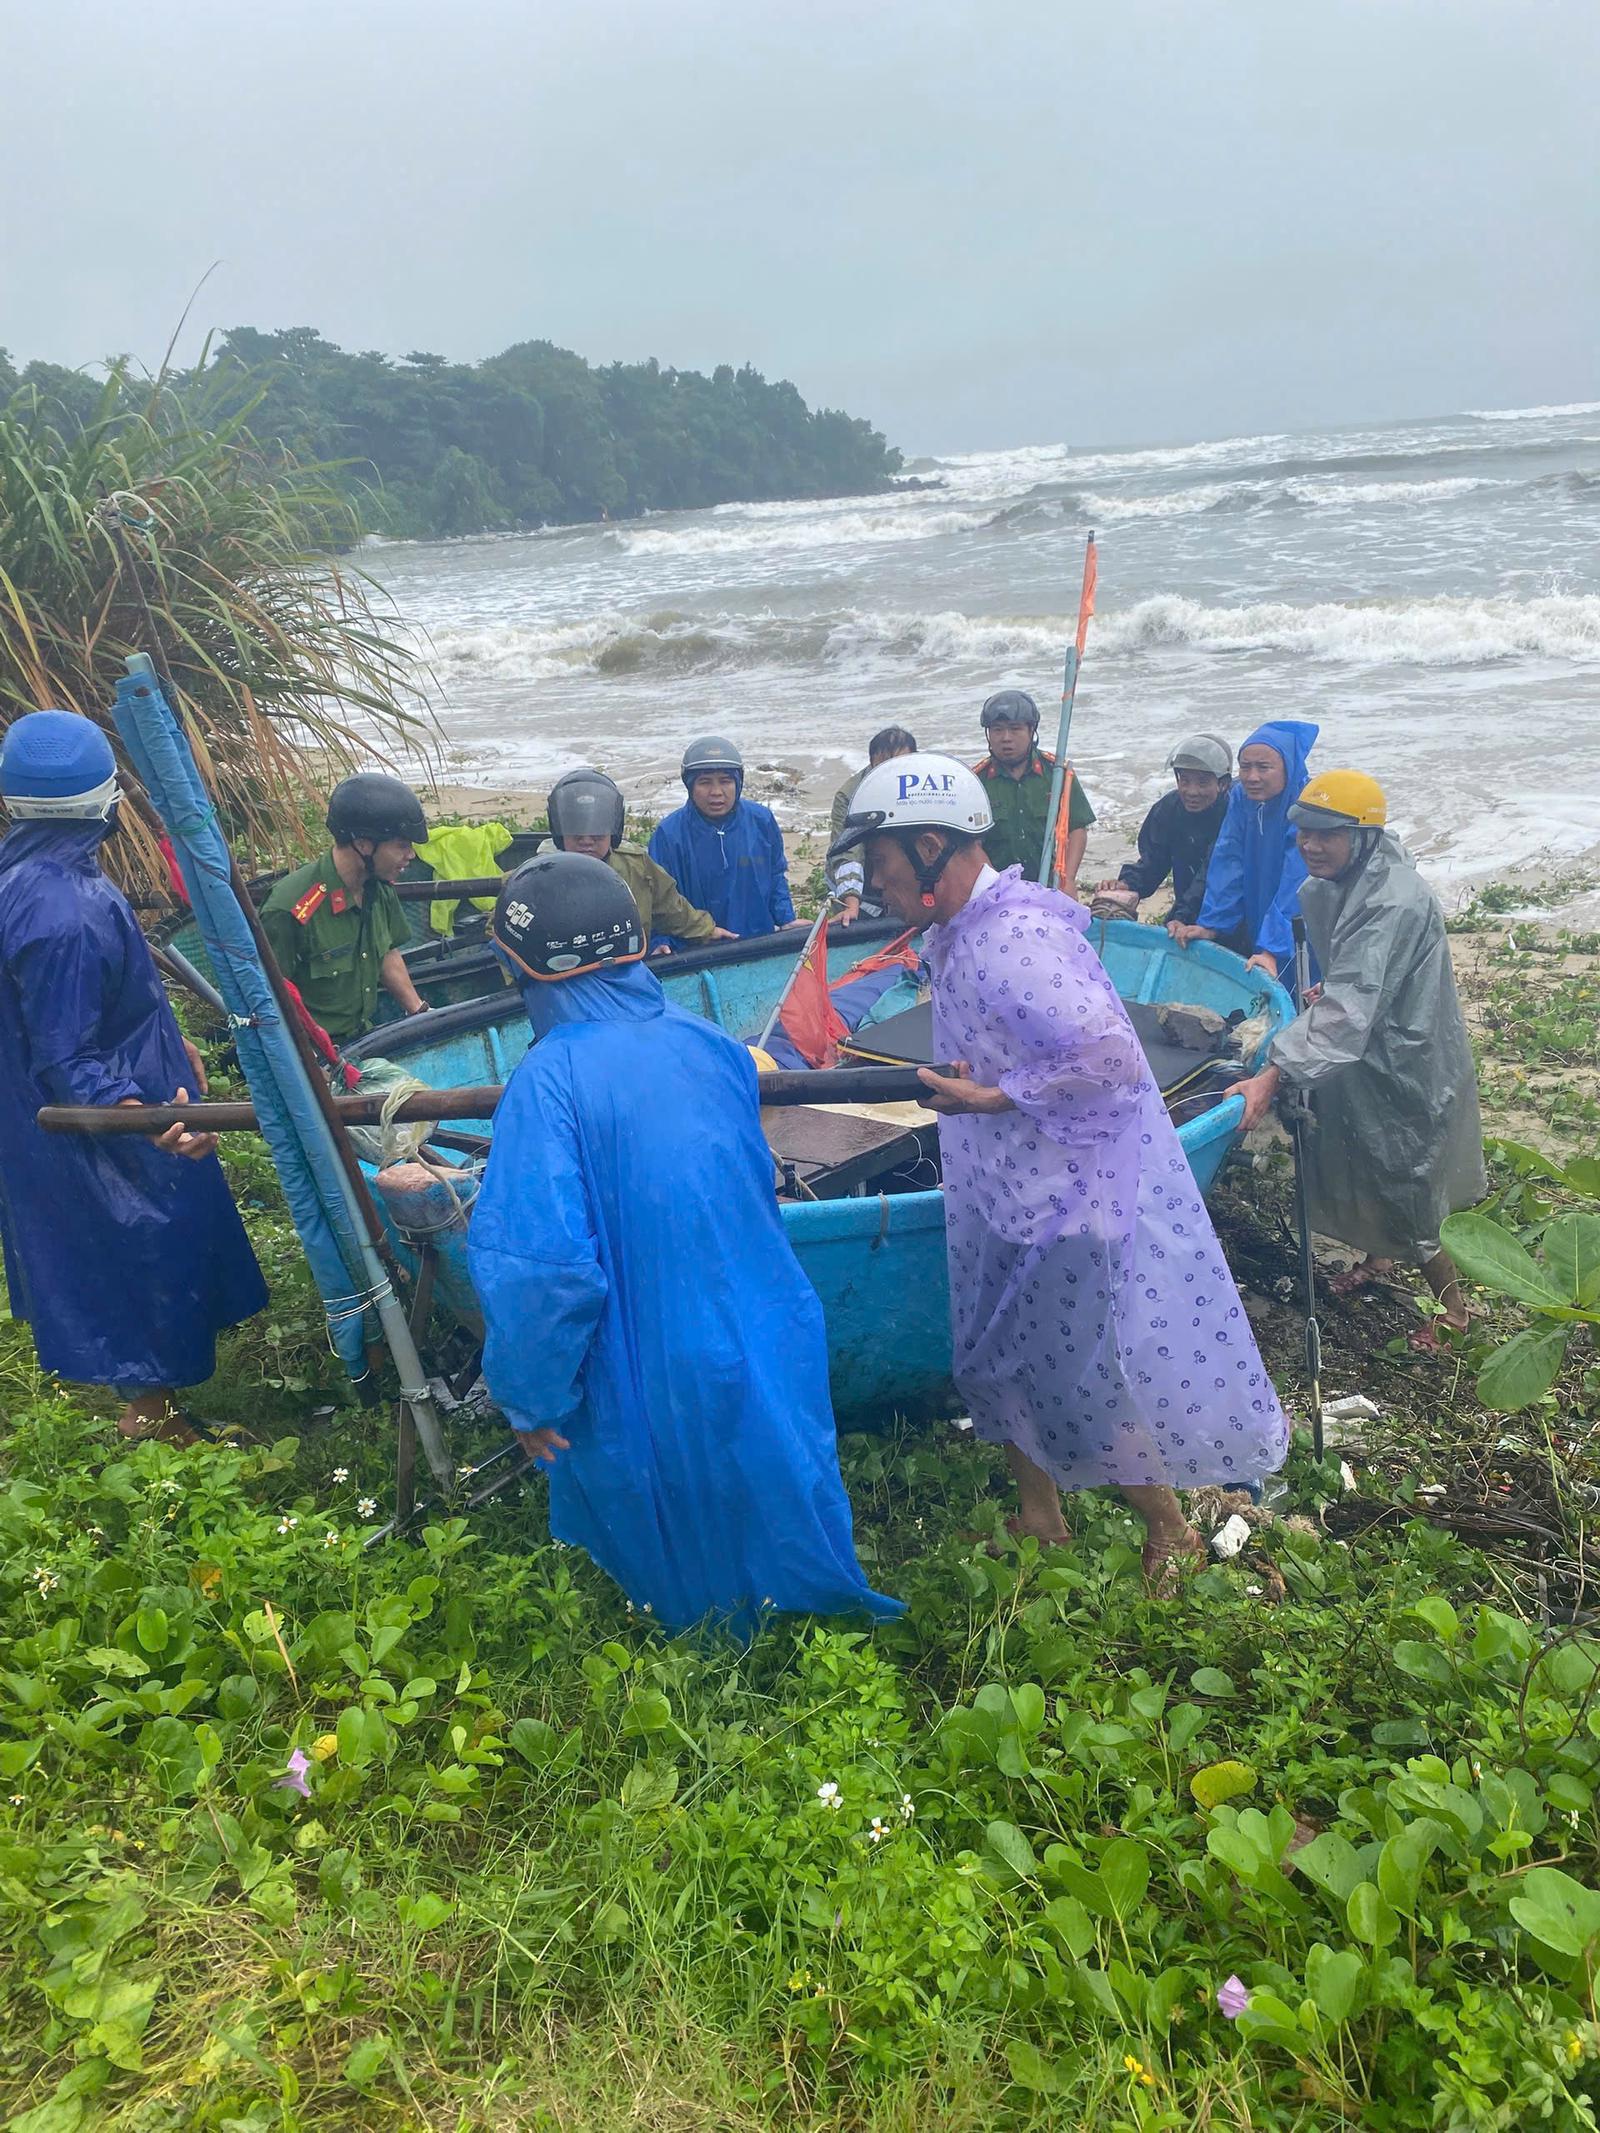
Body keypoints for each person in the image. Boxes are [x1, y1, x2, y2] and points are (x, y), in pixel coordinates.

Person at [830, 753, 1287, 1581]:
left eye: (883, 861)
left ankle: (1170, 1530)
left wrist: (990, 1095)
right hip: (1010, 1184)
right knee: (996, 1356)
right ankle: (1040, 1518)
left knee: (1073, 1380)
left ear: (931, 848)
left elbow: (1112, 1058)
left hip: (1069, 1198)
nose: (878, 881)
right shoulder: (962, 928)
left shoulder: (1014, 939)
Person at [467, 851, 902, 1630]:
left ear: (522, 969)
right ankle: (799, 1609)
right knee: (773, 1470)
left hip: (654, 1354)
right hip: (767, 1322)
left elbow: (542, 1270)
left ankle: (705, 1632)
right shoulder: (712, 1044)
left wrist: (531, 1398)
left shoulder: (548, 1079)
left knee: (676, 1528)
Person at [0, 711, 267, 1440]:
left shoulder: (33, 879)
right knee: (141, 1250)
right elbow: (67, 1054)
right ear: (103, 802)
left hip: (91, 1097)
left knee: (135, 1248)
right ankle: (151, 1419)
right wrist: (146, 1122)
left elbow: (81, 1007)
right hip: (104, 1119)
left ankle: (159, 1406)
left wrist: (169, 1036)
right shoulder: (68, 911)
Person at [1225, 772, 1486, 1347]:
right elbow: (1359, 979)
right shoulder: (1337, 882)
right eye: (1304, 834)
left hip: (1405, 1055)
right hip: (1361, 1043)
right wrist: (1337, 988)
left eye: (1328, 835)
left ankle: (1454, 1311)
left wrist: (1272, 1073)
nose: (1312, 846)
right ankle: (1379, 1257)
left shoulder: (1393, 899)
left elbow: (1353, 1006)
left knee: (1407, 1176)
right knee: (1360, 1150)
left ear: (1364, 836)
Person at [260, 773, 430, 1043]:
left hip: (364, 1038)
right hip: (314, 1051)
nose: (410, 855)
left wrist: (419, 1012)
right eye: (401, 846)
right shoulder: (291, 909)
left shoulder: (378, 887)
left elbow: (386, 952)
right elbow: (268, 999)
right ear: (363, 844)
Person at [1172, 720, 1318, 979]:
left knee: (1301, 979)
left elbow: (1297, 884)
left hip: (1301, 921)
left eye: (1263, 767)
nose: (1252, 777)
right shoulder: (1242, 798)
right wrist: (1212, 924)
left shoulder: (1306, 805)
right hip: (1259, 902)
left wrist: (1273, 949)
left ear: (1289, 766)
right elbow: (1229, 861)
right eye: (1245, 766)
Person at [545, 765, 734, 955]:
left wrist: (706, 930)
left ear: (614, 832)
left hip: (628, 964)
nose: (586, 842)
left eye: (597, 835)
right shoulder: (541, 875)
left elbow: (670, 907)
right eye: (576, 835)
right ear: (559, 834)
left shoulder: (635, 865)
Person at [647, 736, 803, 947]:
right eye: (705, 782)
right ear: (689, 785)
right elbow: (659, 899)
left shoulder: (761, 820)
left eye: (725, 781)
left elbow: (775, 875)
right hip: (697, 947)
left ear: (738, 783)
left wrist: (785, 918)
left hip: (758, 941)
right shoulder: (668, 833)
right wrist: (661, 941)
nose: (716, 792)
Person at [1092, 734, 1233, 937]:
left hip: (1227, 911)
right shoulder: (1168, 809)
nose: (1192, 791)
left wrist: (1182, 916)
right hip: (1187, 901)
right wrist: (1128, 883)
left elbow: (1213, 873)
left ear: (1223, 784)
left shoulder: (1233, 815)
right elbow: (1154, 861)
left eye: (1202, 783)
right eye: (1185, 781)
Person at [972, 689, 1096, 893]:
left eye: (1015, 729)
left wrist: (1068, 880)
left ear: (1031, 731)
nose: (1006, 738)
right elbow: (970, 845)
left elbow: (1077, 829)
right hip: (996, 889)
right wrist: (992, 886)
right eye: (997, 730)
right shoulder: (975, 782)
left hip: (1048, 886)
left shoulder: (1058, 774)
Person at [828, 726, 918, 923]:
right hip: (863, 882)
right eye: (884, 768)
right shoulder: (849, 795)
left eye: (899, 766)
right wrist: (850, 900)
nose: (893, 775)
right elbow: (848, 850)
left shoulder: (924, 786)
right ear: (871, 763)